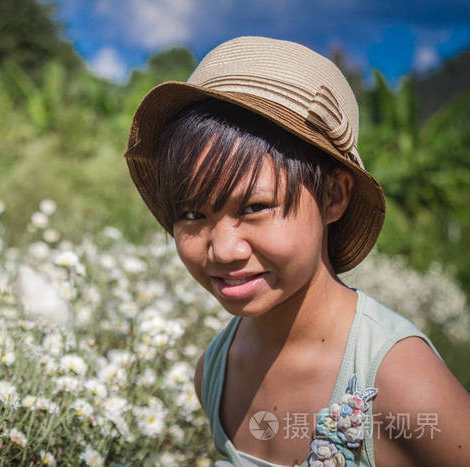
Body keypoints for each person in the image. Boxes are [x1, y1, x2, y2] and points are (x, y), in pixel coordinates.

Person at [123, 36, 470, 466]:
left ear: (334, 197)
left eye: (253, 207)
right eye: (192, 214)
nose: (223, 249)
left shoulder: (399, 379)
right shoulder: (214, 372)